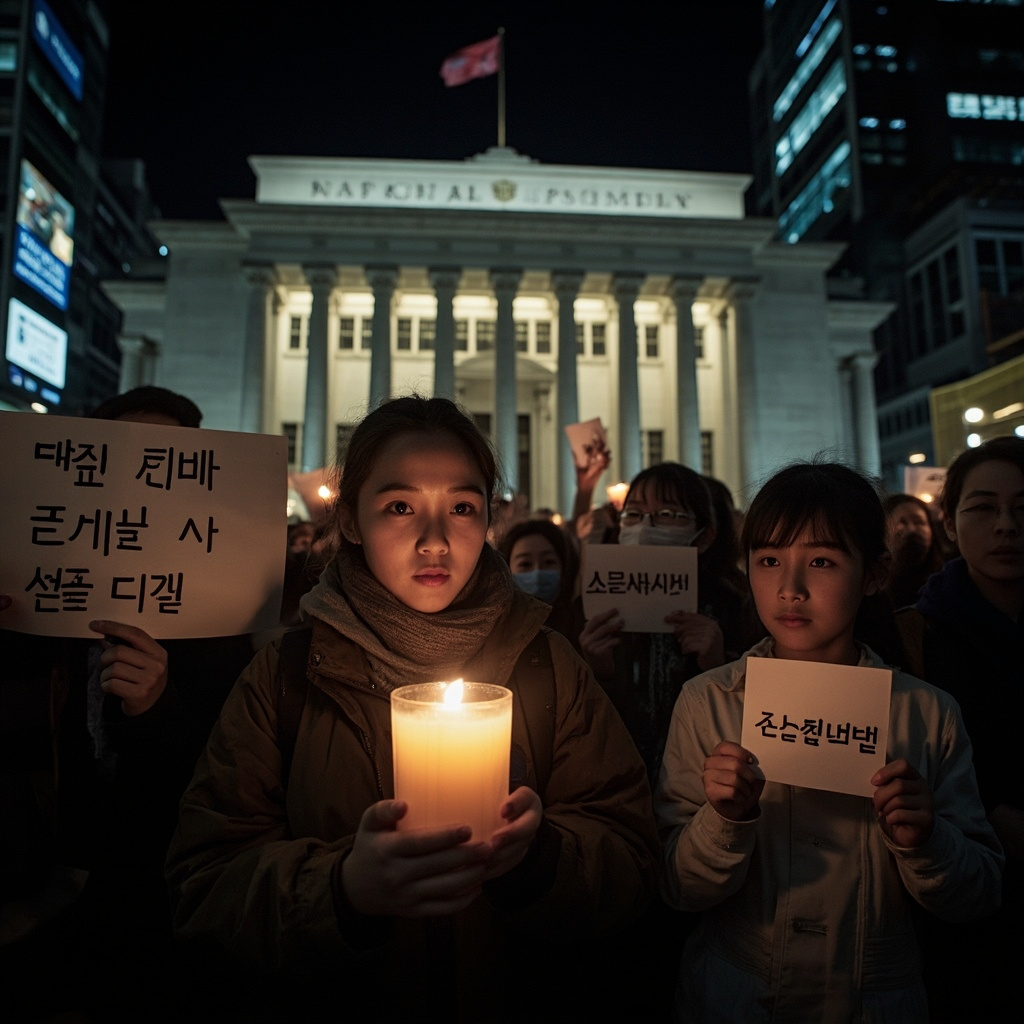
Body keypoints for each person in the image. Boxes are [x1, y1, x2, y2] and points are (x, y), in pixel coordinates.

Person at [164, 395, 659, 1024]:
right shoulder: (286, 675)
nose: (434, 541)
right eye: (400, 507)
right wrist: (343, 890)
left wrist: (540, 862)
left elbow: (632, 860)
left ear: (489, 521)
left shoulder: (550, 666)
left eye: (461, 508)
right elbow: (203, 886)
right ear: (349, 520)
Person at [656, 459, 1003, 1023]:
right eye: (768, 561)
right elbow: (676, 885)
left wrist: (926, 838)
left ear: (874, 574)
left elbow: (980, 891)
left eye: (821, 561)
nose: (790, 589)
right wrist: (722, 819)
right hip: (735, 996)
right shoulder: (708, 702)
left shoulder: (926, 713)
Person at [0, 385, 256, 1022]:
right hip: (37, 893)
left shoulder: (222, 615)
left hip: (154, 903)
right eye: (125, 458)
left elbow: (233, 768)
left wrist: (158, 707)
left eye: (163, 460)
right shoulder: (28, 592)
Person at [894, 435, 1023, 1023]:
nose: (1006, 527)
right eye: (983, 508)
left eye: (1023, 509)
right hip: (957, 914)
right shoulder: (910, 640)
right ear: (948, 522)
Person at [579, 462, 759, 787]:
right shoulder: (595, 602)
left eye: (667, 514)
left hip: (700, 784)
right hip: (621, 783)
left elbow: (756, 722)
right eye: (632, 514)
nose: (645, 525)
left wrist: (719, 665)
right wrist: (597, 670)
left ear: (704, 536)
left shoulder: (740, 606)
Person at [498, 517, 585, 651]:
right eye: (525, 564)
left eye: (549, 562)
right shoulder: (495, 629)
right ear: (506, 570)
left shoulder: (583, 628)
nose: (537, 571)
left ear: (566, 567)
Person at [882, 492, 948, 609]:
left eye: (919, 522)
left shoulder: (949, 581)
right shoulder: (875, 589)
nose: (912, 529)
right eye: (902, 522)